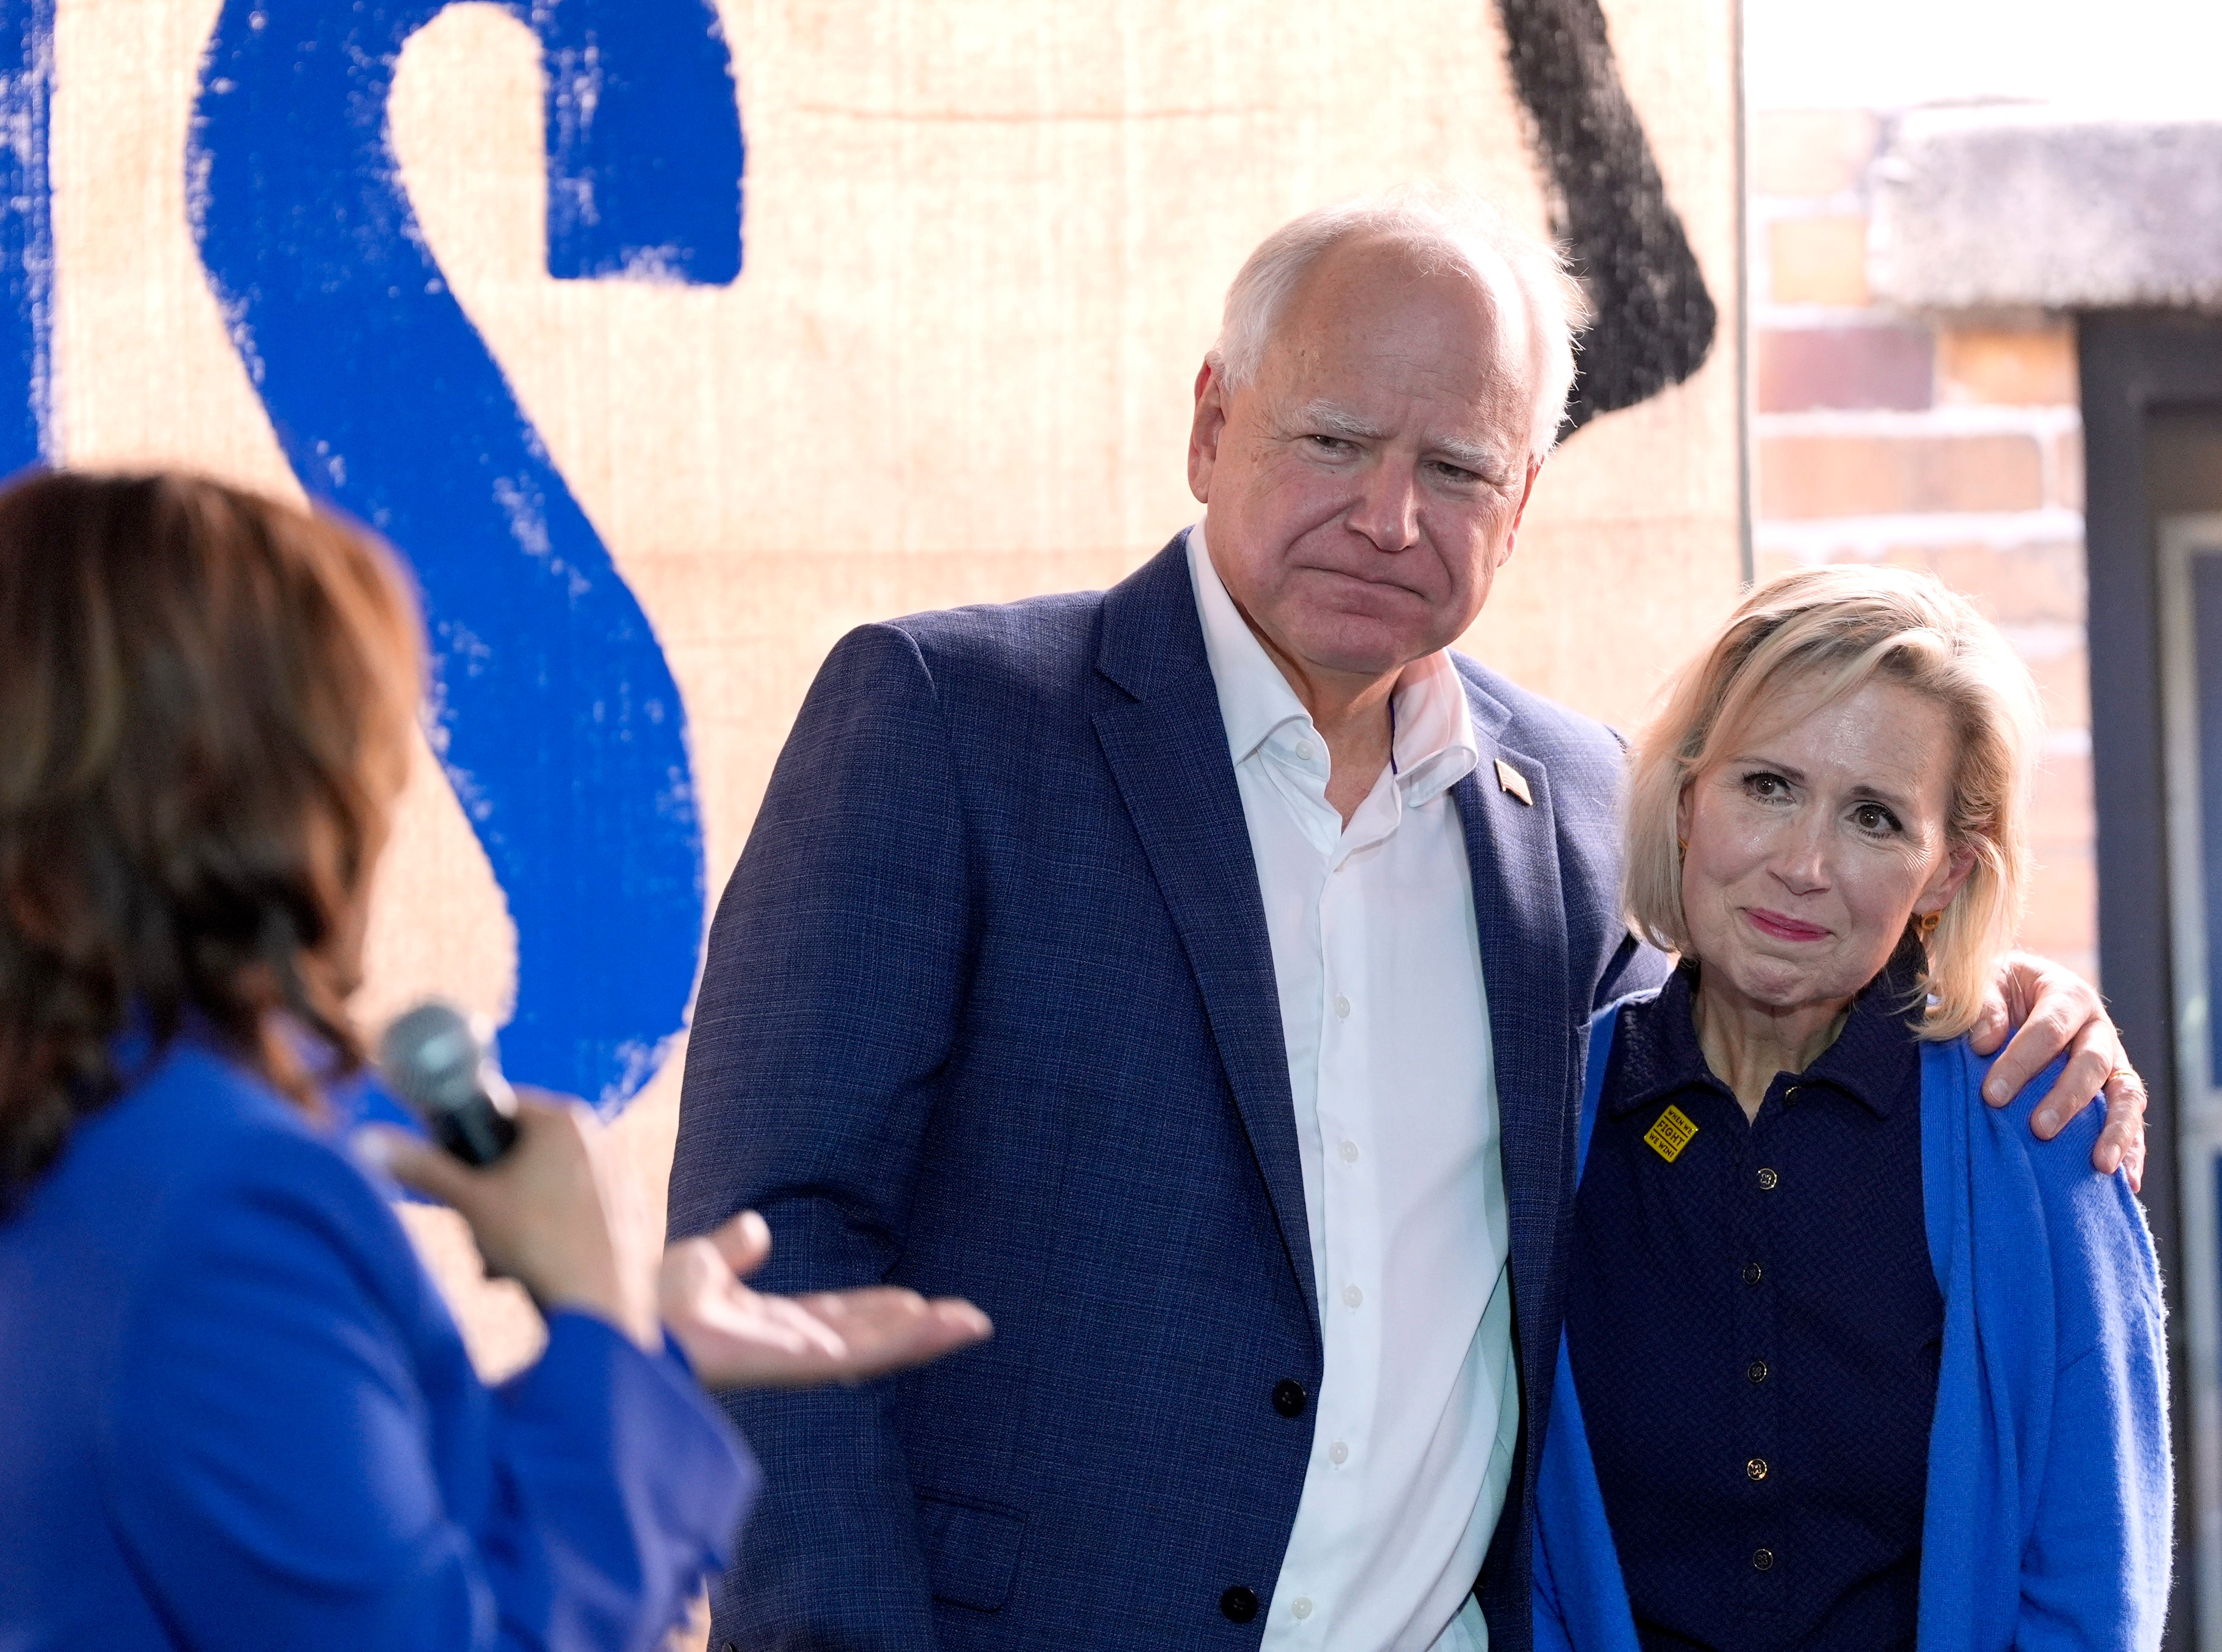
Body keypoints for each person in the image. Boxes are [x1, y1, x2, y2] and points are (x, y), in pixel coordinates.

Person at [666, 188, 2147, 1652]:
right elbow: (768, 1251)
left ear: (1520, 508)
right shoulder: (948, 723)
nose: (1390, 517)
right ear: (1210, 424)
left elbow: (1766, 983)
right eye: (1334, 441)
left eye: (1457, 467)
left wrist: (2008, 992)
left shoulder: (1569, 812)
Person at [0, 470, 989, 1652]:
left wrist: (628, 1355)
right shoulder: (225, 1200)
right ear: (255, 801)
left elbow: (282, 1530)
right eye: (363, 760)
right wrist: (594, 1316)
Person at [1532, 567, 2169, 1652]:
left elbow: (2090, 1579)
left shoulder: (2037, 1130)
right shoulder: (1547, 1120)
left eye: (1873, 817)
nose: (1802, 866)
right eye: (1766, 786)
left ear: (1942, 873)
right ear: (1687, 797)